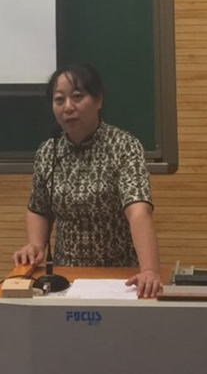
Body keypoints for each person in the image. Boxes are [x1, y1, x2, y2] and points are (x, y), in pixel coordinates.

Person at [12, 63, 161, 298]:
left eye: (77, 97)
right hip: (66, 279)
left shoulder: (123, 146)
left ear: (98, 100)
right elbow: (38, 209)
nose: (68, 107)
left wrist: (150, 270)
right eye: (59, 100)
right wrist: (35, 246)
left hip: (119, 277)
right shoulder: (48, 151)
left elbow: (138, 210)